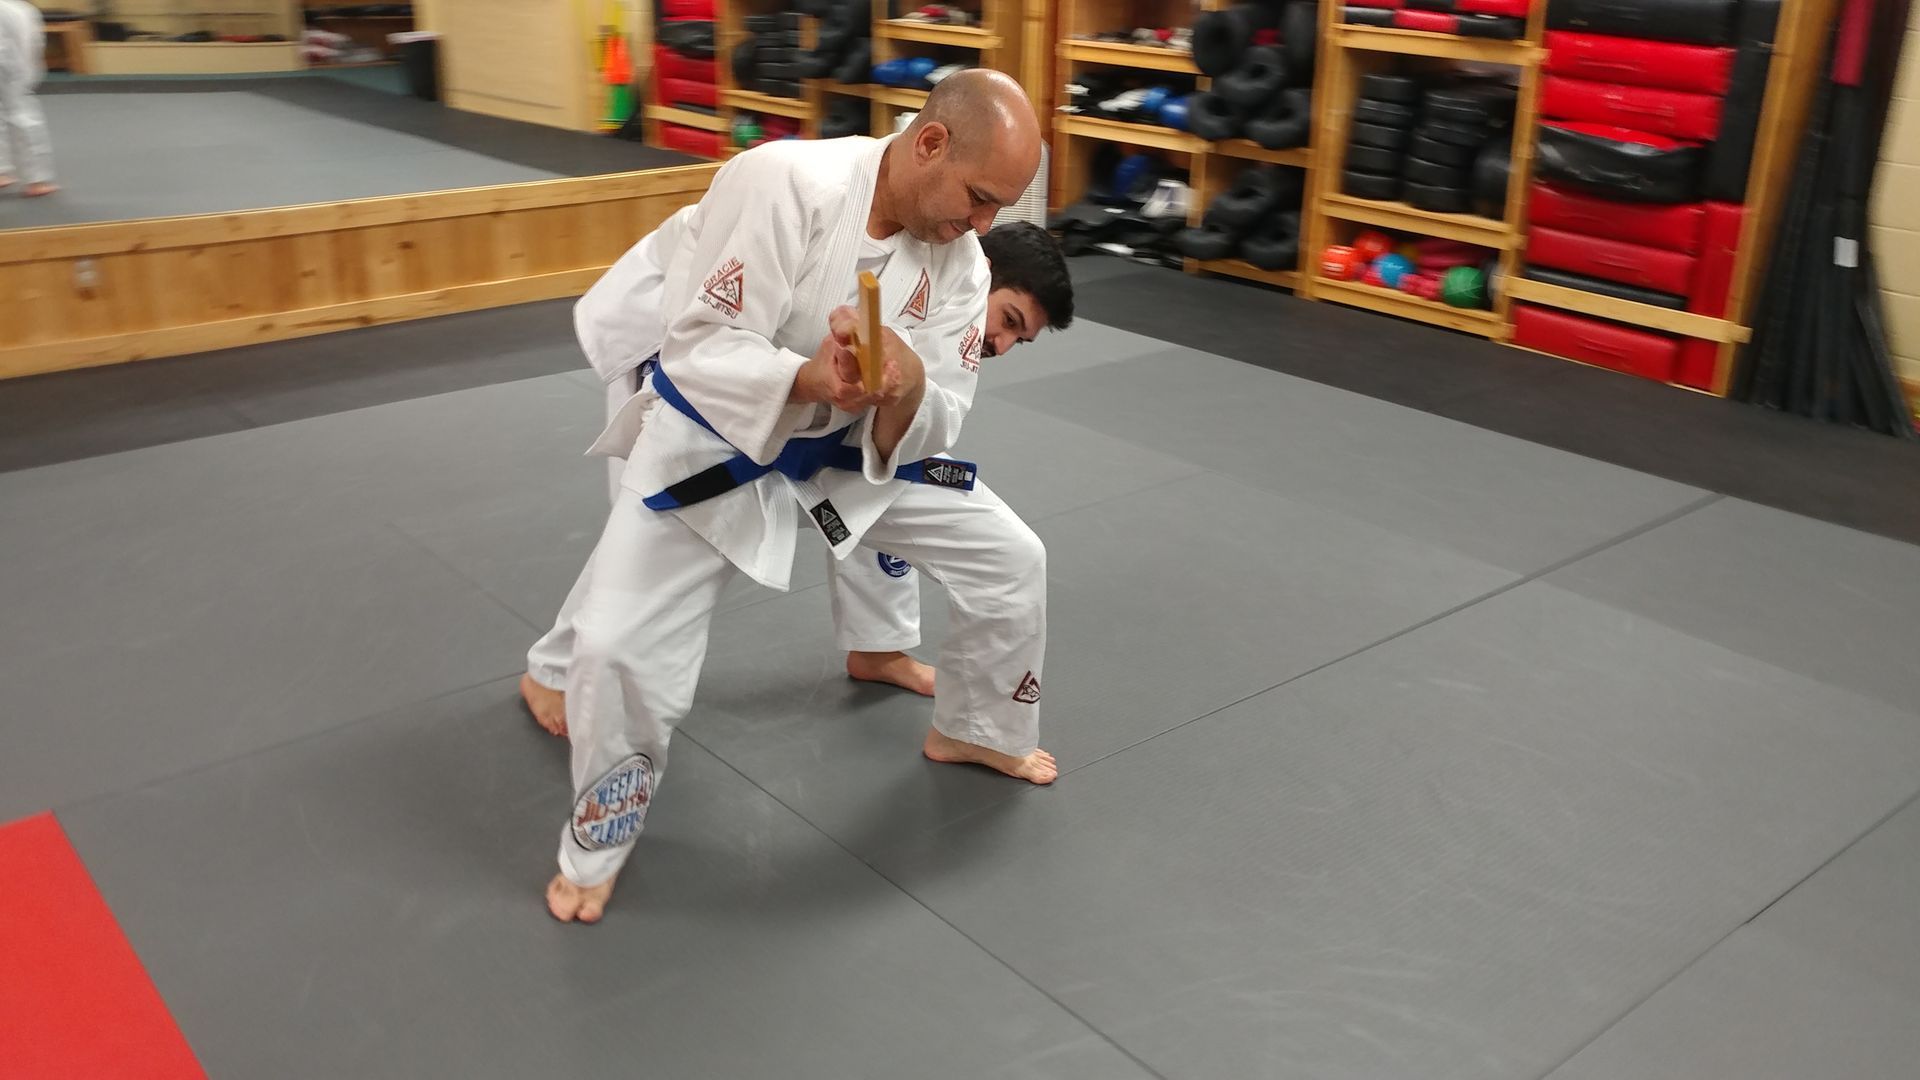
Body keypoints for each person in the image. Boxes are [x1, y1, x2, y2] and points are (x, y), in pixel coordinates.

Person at [543, 70, 1048, 923]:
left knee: (1012, 557)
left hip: (847, 449)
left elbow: (945, 415)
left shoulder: (961, 264)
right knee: (619, 646)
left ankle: (980, 728)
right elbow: (698, 346)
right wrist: (811, 375)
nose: (984, 226)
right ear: (929, 143)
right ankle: (600, 836)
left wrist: (909, 389)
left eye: (999, 208)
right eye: (979, 198)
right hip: (716, 432)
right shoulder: (785, 181)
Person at [520, 219, 1075, 734]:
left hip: (795, 350)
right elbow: (740, 332)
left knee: (881, 475)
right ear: (987, 273)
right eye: (1007, 320)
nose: (1001, 344)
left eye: (1017, 339)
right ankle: (553, 669)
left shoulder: (949, 287)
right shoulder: (856, 227)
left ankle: (879, 646)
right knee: (652, 514)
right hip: (675, 325)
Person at [0, 0, 57, 198]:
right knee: (18, 115)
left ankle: (37, 178)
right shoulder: (20, 10)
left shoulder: (15, 11)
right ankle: (11, 172)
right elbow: (34, 46)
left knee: (20, 115)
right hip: (15, 67)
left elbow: (30, 47)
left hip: (11, 68)